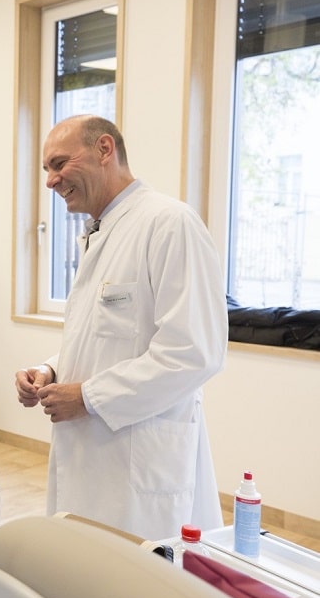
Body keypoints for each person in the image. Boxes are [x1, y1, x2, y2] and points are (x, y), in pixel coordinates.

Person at [14, 115, 228, 541]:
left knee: (139, 587)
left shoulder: (169, 224)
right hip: (94, 452)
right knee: (90, 568)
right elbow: (106, 334)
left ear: (104, 150)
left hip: (139, 455)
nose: (51, 181)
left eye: (59, 164)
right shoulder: (102, 231)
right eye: (46, 170)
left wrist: (89, 397)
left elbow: (194, 353)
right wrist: (51, 371)